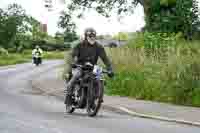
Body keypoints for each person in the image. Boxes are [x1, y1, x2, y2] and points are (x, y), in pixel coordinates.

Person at [64, 27, 114, 105]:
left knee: (100, 78)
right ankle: (69, 98)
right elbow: (71, 55)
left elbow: (105, 59)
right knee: (74, 79)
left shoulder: (99, 47)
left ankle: (95, 97)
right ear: (86, 36)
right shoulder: (79, 45)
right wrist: (73, 63)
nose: (92, 38)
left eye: (93, 36)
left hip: (93, 67)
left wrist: (110, 69)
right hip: (81, 66)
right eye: (90, 36)